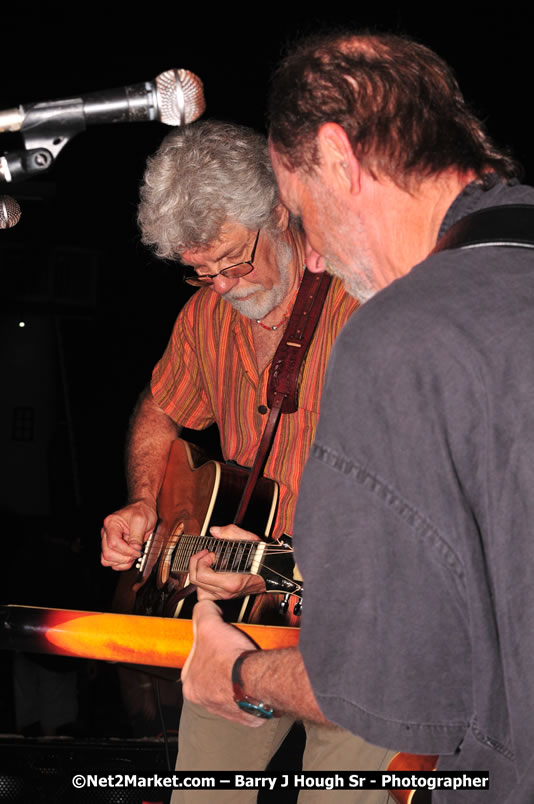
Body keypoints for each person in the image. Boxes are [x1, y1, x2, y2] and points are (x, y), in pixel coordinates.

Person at [181, 32, 534, 803]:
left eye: (300, 213)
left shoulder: (401, 336)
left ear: (339, 161)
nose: (310, 259)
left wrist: (234, 671)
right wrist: (275, 565)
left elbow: (402, 687)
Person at [100, 119, 396, 803]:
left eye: (235, 260)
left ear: (280, 212)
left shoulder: (368, 301)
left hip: (353, 618)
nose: (224, 284)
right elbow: (158, 409)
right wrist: (145, 502)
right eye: (199, 271)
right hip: (236, 615)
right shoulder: (205, 318)